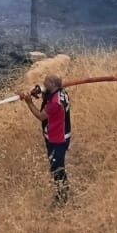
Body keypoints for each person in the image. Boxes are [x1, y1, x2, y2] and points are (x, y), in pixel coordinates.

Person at [24, 74, 71, 202]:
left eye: (45, 84)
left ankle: (62, 198)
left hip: (58, 139)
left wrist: (29, 102)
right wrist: (38, 90)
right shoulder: (61, 93)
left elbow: (41, 116)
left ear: (52, 85)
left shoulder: (55, 103)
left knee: (57, 169)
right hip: (58, 135)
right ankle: (62, 192)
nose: (44, 86)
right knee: (56, 166)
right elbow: (47, 93)